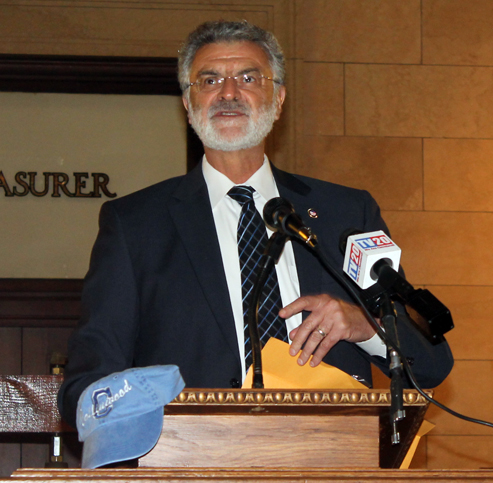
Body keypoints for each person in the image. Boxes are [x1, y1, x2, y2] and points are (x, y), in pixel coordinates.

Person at [58, 20, 453, 428]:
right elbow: (86, 388)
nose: (228, 93)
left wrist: (366, 326)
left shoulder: (347, 213)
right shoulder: (135, 225)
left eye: (248, 78)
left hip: (332, 450)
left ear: (278, 100)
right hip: (194, 454)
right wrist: (156, 407)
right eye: (209, 80)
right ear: (188, 104)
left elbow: (431, 364)